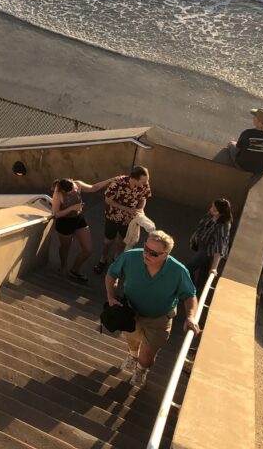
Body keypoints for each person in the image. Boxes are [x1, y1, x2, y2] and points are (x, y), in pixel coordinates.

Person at [105, 230, 199, 388]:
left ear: (165, 255)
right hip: (130, 313)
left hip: (159, 319)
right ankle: (132, 357)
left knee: (147, 358)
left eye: (153, 253)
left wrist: (190, 317)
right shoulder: (130, 257)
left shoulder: (178, 271)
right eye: (146, 249)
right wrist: (110, 296)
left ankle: (141, 369)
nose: (146, 254)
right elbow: (111, 274)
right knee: (132, 341)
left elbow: (190, 295)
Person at [92, 166, 152, 275]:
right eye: (143, 181)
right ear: (133, 178)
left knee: (122, 241)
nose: (146, 183)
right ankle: (103, 259)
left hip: (129, 220)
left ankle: (116, 259)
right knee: (108, 241)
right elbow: (108, 200)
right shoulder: (118, 182)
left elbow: (144, 198)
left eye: (147, 180)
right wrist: (128, 209)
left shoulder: (144, 184)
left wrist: (140, 210)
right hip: (113, 217)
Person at [50, 178, 97, 283]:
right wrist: (71, 208)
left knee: (88, 250)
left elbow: (94, 188)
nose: (76, 191)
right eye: (72, 191)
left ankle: (74, 270)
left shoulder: (77, 184)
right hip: (64, 223)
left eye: (75, 189)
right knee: (65, 247)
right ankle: (63, 266)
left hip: (79, 219)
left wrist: (110, 180)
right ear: (64, 191)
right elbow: (55, 214)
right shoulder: (58, 194)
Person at [186, 199, 233, 288]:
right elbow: (201, 227)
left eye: (213, 208)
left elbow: (219, 246)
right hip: (201, 246)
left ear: (218, 212)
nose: (210, 208)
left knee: (187, 270)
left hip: (207, 252)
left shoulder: (224, 225)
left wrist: (214, 267)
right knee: (202, 276)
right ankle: (196, 294)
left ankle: (190, 290)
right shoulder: (210, 215)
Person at [228, 108, 263, 173]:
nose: (253, 118)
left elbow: (238, 149)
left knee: (231, 143)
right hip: (261, 170)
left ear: (259, 121)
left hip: (242, 166)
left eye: (255, 116)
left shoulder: (247, 133)